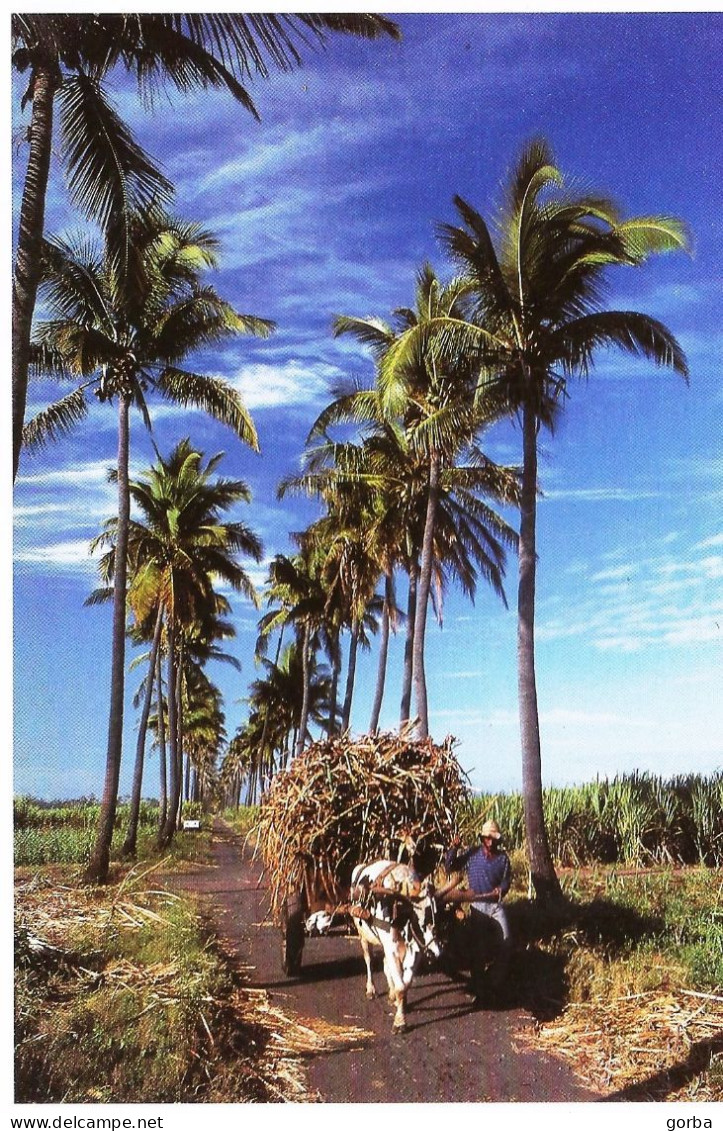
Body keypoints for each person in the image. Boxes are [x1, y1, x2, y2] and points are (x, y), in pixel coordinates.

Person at [444, 819, 512, 1004]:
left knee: (507, 943)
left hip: (496, 905)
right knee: (478, 949)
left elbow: (506, 880)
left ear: (497, 840)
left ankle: (493, 982)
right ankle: (480, 988)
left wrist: (501, 889)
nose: (489, 841)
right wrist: (453, 848)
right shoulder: (472, 855)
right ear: (482, 839)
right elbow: (451, 866)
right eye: (486, 838)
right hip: (477, 906)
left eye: (493, 838)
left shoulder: (503, 859)